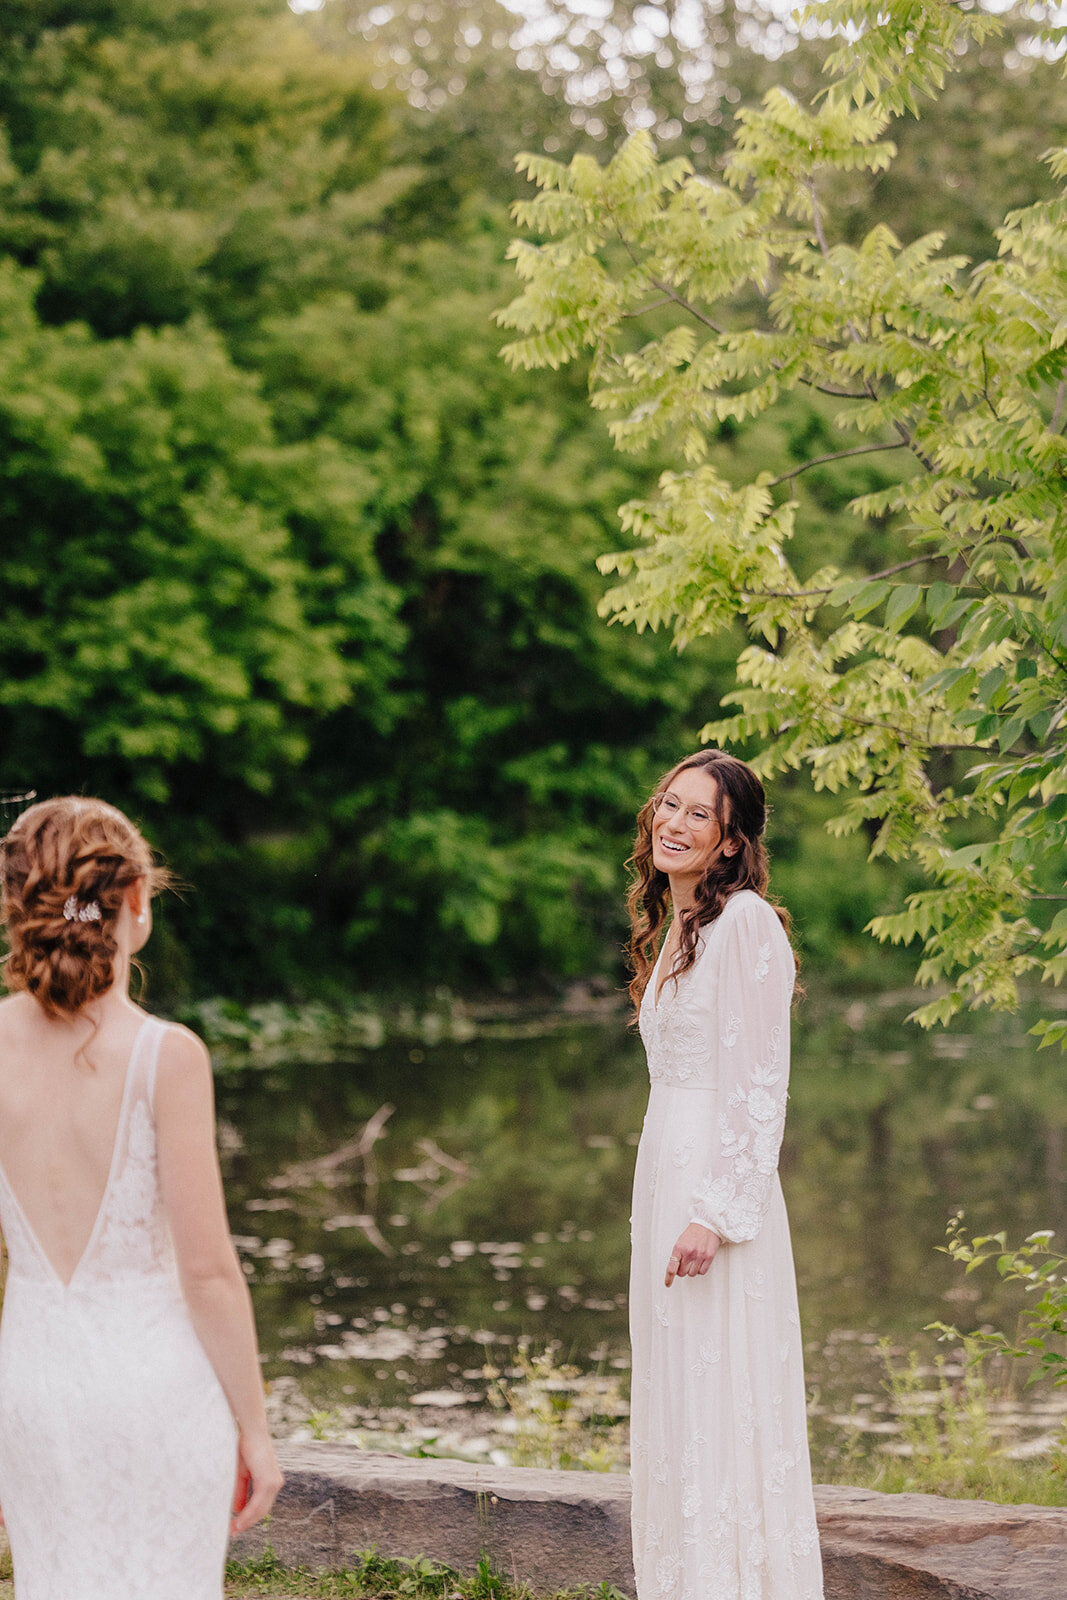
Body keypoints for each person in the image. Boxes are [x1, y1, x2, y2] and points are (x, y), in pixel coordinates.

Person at [0, 796, 282, 1600]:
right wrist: (255, 1432)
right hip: (151, 1390)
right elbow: (209, 1273)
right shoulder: (167, 1055)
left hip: (30, 1394)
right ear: (135, 901)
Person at [627, 750, 823, 1600]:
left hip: (713, 1192)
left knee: (720, 1390)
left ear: (732, 839)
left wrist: (713, 1212)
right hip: (663, 1173)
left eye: (697, 815)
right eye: (669, 806)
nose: (674, 823)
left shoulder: (746, 923)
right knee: (675, 1392)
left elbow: (759, 1083)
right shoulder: (681, 926)